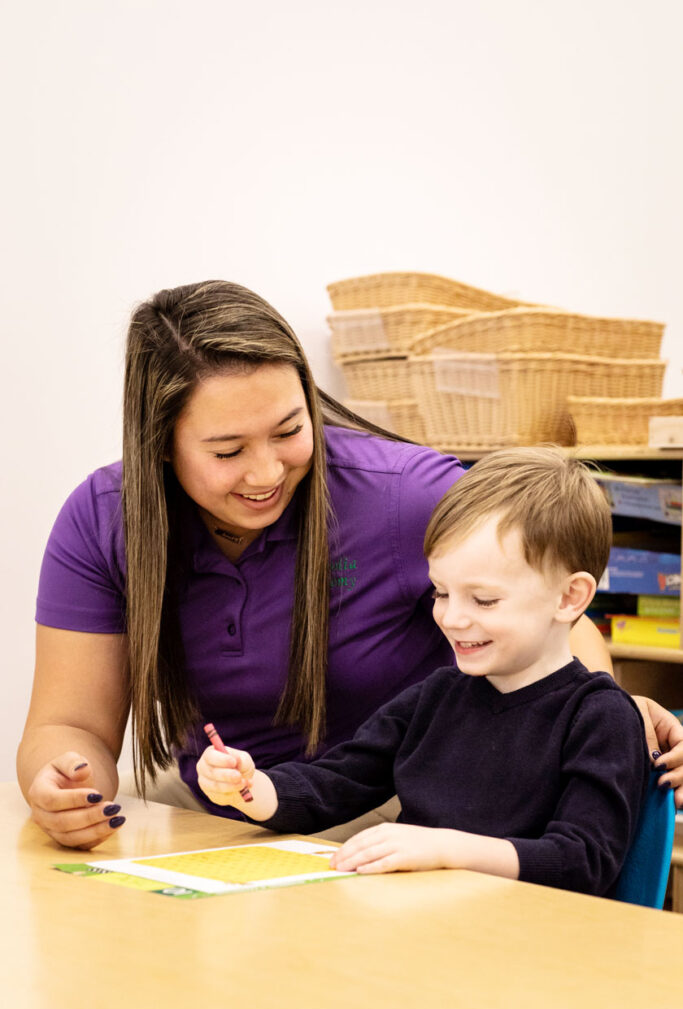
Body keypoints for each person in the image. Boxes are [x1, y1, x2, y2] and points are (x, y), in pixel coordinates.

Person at [17, 281, 683, 851]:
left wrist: (602, 719)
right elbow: (68, 725)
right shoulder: (104, 519)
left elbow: (560, 622)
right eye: (227, 451)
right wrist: (63, 782)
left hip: (392, 810)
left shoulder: (401, 495)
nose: (266, 471)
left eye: (287, 430)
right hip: (213, 812)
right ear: (158, 445)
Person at [197, 448, 651, 896]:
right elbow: (337, 782)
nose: (452, 618)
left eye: (484, 600)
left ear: (570, 597)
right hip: (420, 929)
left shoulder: (601, 718)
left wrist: (445, 849)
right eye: (441, 593)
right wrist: (250, 787)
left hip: (524, 947)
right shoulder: (435, 696)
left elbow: (583, 861)